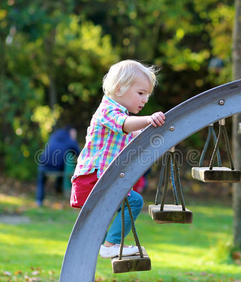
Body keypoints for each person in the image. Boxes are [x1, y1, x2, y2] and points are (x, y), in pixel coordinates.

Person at [70, 59, 166, 260]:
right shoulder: (108, 111)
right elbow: (125, 124)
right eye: (141, 93)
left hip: (96, 179)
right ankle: (111, 245)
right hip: (93, 179)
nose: (145, 99)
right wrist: (149, 120)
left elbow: (135, 134)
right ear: (119, 88)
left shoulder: (119, 115)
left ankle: (86, 279)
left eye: (147, 95)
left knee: (93, 234)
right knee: (134, 201)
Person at [36, 127, 80, 207]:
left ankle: (39, 200)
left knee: (41, 180)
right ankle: (58, 192)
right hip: (57, 166)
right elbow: (79, 153)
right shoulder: (70, 140)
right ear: (70, 132)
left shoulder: (54, 136)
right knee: (65, 167)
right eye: (74, 134)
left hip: (43, 164)